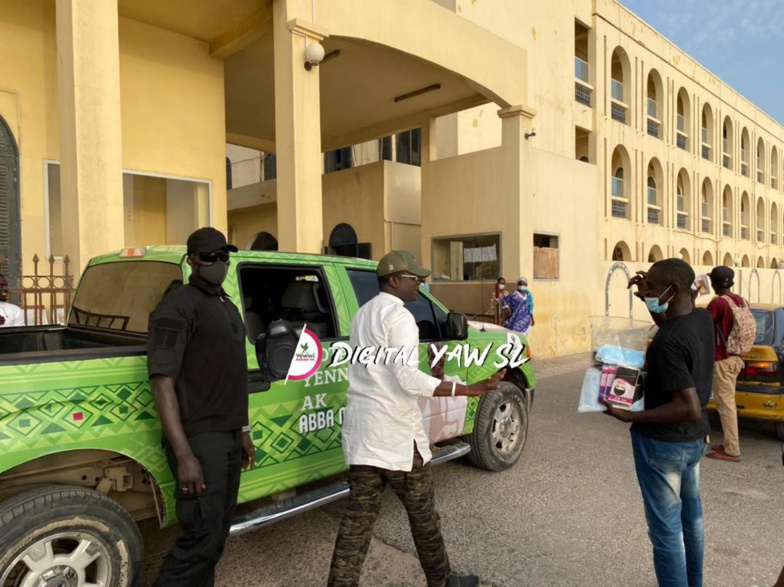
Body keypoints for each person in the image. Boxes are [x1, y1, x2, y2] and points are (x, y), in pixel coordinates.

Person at [328, 250, 507, 587]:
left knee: (357, 523)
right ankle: (443, 582)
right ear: (394, 280)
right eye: (415, 279)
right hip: (395, 435)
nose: (421, 285)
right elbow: (407, 378)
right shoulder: (400, 319)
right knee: (423, 516)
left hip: (364, 433)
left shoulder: (362, 315)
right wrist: (467, 390)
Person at [147, 227, 256, 586]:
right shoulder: (176, 306)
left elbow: (231, 372)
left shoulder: (225, 303)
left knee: (216, 538)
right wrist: (184, 456)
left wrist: (242, 430)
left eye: (225, 256)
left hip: (227, 435)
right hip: (199, 438)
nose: (219, 263)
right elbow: (163, 381)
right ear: (192, 260)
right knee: (199, 538)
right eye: (210, 256)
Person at [604, 258, 713, 587]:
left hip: (662, 446)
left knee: (666, 533)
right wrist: (646, 299)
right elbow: (669, 324)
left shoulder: (667, 342)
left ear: (674, 289)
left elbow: (688, 406)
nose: (647, 291)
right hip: (694, 442)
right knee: (691, 520)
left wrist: (629, 415)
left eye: (652, 287)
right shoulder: (702, 318)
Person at [704, 266, 746, 463]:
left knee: (726, 406)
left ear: (713, 283)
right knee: (728, 403)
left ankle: (732, 450)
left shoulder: (718, 304)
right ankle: (729, 444)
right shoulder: (740, 301)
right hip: (736, 358)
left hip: (722, 360)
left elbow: (703, 326)